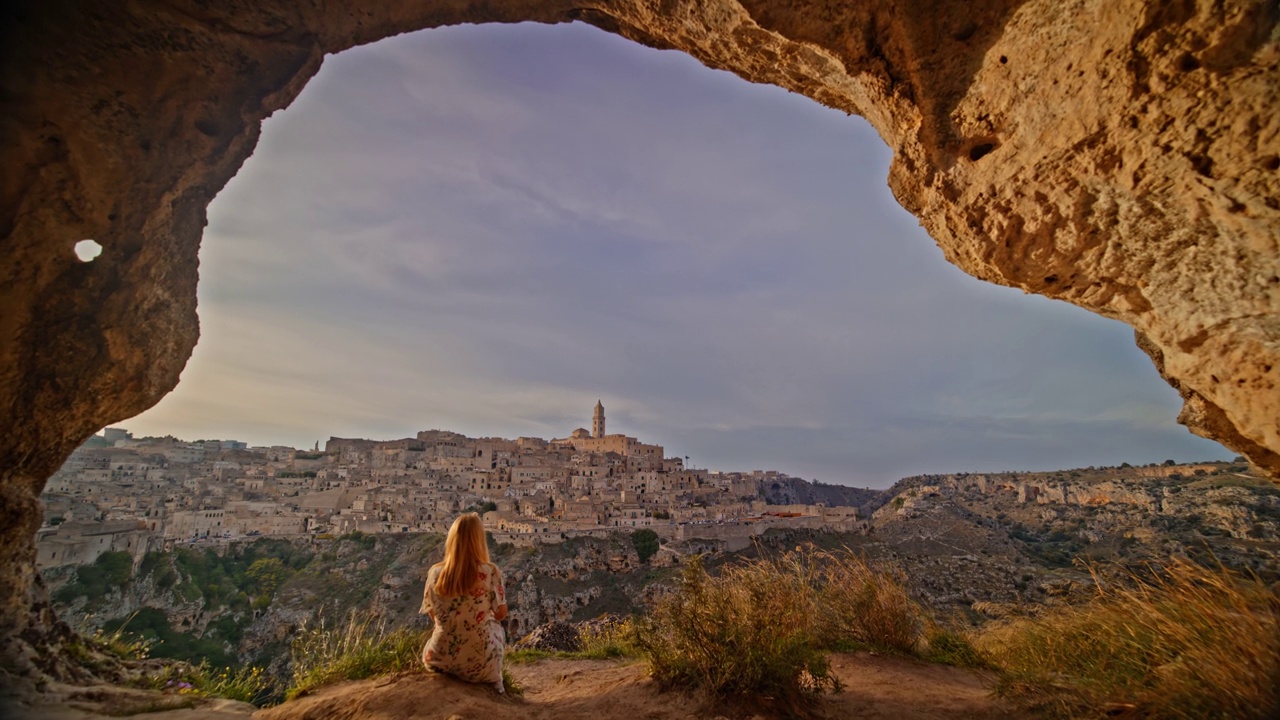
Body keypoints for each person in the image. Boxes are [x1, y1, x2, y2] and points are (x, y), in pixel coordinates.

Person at [420, 513, 508, 692]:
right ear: (479, 540)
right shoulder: (490, 572)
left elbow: (433, 615)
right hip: (480, 664)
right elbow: (501, 614)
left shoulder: (435, 573)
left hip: (437, 659)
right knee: (496, 627)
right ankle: (496, 684)